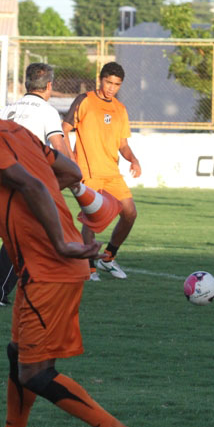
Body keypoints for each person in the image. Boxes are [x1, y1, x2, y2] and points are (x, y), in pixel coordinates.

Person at [0, 70, 143, 427]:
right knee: (18, 355)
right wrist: (38, 205)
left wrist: (59, 239)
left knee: (34, 373)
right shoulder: (14, 131)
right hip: (46, 267)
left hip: (49, 266)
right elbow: (69, 172)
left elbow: (31, 184)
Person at [0, 62, 73, 306]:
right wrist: (73, 173)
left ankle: (22, 289)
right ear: (49, 86)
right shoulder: (47, 111)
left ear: (27, 83)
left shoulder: (6, 109)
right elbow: (59, 146)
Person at [62, 61, 141, 281]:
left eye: (116, 84)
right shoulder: (85, 100)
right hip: (88, 172)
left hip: (112, 173)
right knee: (91, 219)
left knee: (130, 213)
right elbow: (64, 129)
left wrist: (134, 160)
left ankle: (108, 258)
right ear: (100, 80)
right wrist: (71, 160)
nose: (111, 88)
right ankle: (89, 267)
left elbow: (123, 144)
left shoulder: (120, 109)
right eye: (108, 82)